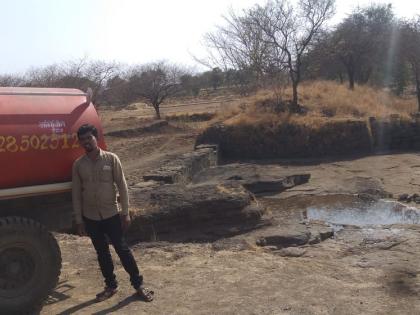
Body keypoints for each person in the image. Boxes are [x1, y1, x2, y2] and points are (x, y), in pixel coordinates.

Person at [72, 123, 154, 302]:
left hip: (111, 214)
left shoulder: (111, 159)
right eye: (83, 139)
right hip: (91, 217)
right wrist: (79, 220)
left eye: (89, 138)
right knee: (102, 253)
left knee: (122, 249)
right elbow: (76, 194)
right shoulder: (78, 165)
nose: (86, 141)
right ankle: (111, 286)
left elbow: (122, 187)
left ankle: (138, 285)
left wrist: (125, 212)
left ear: (96, 138)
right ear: (80, 142)